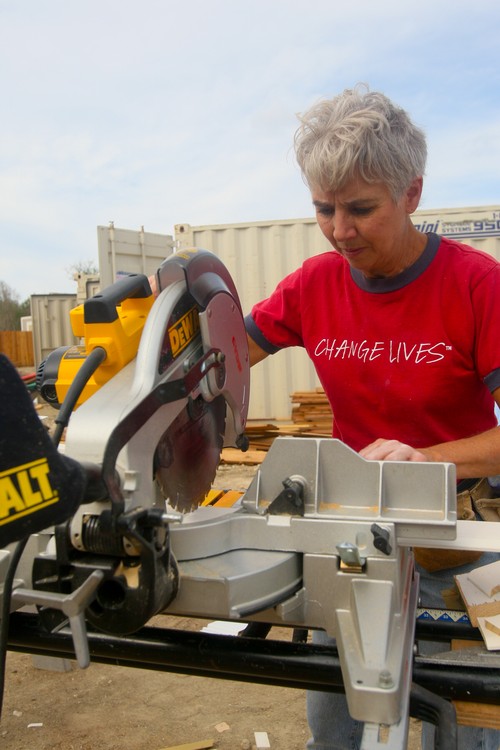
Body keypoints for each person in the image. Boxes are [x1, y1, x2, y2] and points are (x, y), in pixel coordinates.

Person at [244, 85, 500, 750]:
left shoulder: (478, 287)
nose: (339, 230)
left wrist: (431, 459)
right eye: (323, 209)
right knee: (338, 722)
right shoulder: (311, 286)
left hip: (461, 542)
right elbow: (221, 356)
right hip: (356, 539)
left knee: (467, 725)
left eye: (361, 208)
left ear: (412, 193)